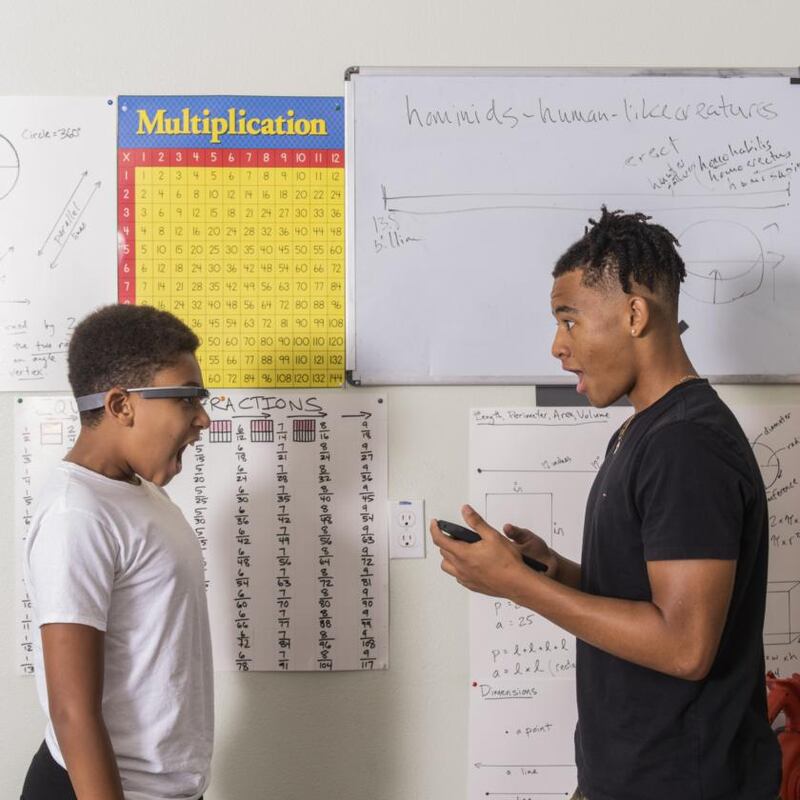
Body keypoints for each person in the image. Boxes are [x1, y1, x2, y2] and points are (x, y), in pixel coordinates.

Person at [431, 208, 781, 800]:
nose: (557, 345)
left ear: (634, 314)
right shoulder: (645, 432)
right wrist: (550, 571)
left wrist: (519, 586)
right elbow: (650, 599)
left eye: (569, 321)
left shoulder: (687, 444)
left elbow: (684, 647)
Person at [21, 304, 214, 800]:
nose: (203, 419)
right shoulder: (76, 514)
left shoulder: (139, 494)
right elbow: (72, 711)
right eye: (186, 399)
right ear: (121, 404)